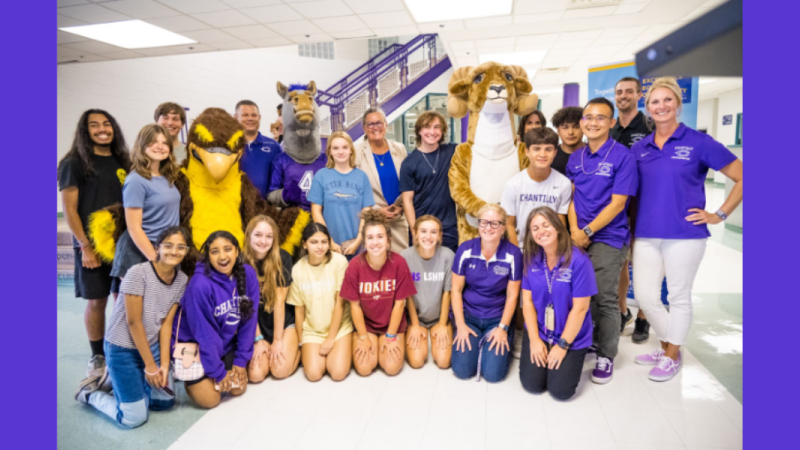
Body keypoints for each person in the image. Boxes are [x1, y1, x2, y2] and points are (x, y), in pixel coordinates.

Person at [631, 77, 742, 382]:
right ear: (648, 108)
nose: (661, 106)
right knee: (646, 297)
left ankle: (670, 355)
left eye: (668, 100)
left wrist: (719, 214)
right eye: (655, 101)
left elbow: (742, 175)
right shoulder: (640, 147)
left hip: (685, 234)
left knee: (678, 296)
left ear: (678, 105)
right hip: (646, 233)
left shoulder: (698, 142)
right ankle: (670, 346)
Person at [75, 227, 190, 428]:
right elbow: (134, 322)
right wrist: (150, 367)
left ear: (187, 251)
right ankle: (91, 394)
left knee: (164, 403)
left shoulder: (181, 279)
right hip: (123, 348)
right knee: (133, 418)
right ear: (157, 248)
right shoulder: (138, 273)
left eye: (181, 247)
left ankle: (121, 383)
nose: (174, 251)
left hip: (151, 344)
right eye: (168, 246)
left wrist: (163, 365)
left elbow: (166, 324)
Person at [567, 98, 638, 385]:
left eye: (601, 117)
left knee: (605, 297)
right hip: (578, 236)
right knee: (583, 295)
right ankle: (593, 341)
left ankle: (607, 354)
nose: (593, 122)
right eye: (588, 117)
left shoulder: (623, 156)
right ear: (582, 122)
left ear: (611, 122)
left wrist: (588, 232)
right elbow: (570, 198)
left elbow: (618, 203)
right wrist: (574, 230)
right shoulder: (576, 157)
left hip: (609, 236)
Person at [58, 109, 131, 380]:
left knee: (124, 300)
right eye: (94, 125)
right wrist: (84, 245)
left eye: (107, 124)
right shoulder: (73, 163)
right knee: (97, 301)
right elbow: (69, 208)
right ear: (85, 130)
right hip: (92, 247)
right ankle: (98, 355)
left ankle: (123, 348)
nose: (102, 129)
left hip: (123, 245)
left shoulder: (123, 160)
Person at [173, 231, 259, 409]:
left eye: (227, 249)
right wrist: (218, 373)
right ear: (207, 256)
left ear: (237, 251)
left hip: (223, 344)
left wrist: (240, 361)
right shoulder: (199, 285)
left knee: (238, 390)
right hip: (194, 345)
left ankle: (213, 371)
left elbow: (248, 322)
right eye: (215, 251)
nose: (222, 256)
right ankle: (191, 381)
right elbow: (205, 335)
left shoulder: (248, 274)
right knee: (211, 401)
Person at [518, 207, 596, 400]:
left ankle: (574, 354)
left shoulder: (579, 260)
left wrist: (562, 346)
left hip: (569, 336)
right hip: (542, 331)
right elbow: (527, 302)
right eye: (534, 228)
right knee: (532, 385)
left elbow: (581, 308)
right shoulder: (531, 258)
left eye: (546, 225)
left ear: (559, 228)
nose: (541, 231)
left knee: (561, 392)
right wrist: (535, 340)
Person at [340, 210, 417, 376]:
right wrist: (362, 337)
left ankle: (386, 338)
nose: (375, 242)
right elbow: (355, 307)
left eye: (380, 237)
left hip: (392, 325)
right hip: (366, 325)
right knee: (364, 369)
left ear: (388, 240)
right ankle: (369, 339)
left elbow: (399, 304)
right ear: (364, 242)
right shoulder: (354, 266)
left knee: (391, 367)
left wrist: (390, 336)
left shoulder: (399, 262)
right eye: (370, 237)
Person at [450, 204, 522, 382]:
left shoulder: (513, 254)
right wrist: (460, 324)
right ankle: (477, 342)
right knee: (462, 371)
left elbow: (513, 295)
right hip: (470, 317)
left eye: (494, 223)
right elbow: (456, 290)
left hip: (497, 319)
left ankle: (503, 336)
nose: (488, 227)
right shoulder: (465, 250)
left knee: (492, 375)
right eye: (483, 222)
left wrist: (502, 328)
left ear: (503, 227)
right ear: (478, 224)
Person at [611, 77, 654, 343]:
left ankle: (644, 317)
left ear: (639, 94)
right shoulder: (609, 128)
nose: (623, 96)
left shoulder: (650, 126)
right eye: (619, 92)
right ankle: (622, 311)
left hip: (646, 204)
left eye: (629, 91)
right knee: (620, 264)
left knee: (646, 263)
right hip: (617, 207)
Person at [111, 124, 181, 280]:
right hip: (141, 252)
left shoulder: (167, 177)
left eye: (164, 143)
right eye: (153, 142)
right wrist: (155, 259)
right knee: (142, 304)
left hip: (166, 248)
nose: (160, 147)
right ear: (142, 145)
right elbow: (134, 227)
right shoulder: (136, 180)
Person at [287, 222, 354, 381]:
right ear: (304, 244)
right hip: (313, 330)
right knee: (314, 374)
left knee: (337, 373)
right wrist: (301, 341)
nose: (320, 246)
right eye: (314, 242)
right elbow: (299, 310)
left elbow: (340, 303)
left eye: (324, 242)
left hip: (339, 328)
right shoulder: (297, 270)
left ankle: (340, 348)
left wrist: (331, 339)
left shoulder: (339, 262)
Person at [243, 216, 299, 382]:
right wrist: (258, 340)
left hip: (282, 323)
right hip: (256, 324)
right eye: (258, 235)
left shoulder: (283, 258)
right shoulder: (240, 260)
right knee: (256, 376)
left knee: (279, 371)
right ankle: (265, 344)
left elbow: (279, 301)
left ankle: (297, 350)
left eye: (269, 236)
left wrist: (277, 340)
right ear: (249, 236)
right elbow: (247, 306)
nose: (263, 241)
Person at [501, 127, 572, 247]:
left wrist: (556, 250)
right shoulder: (513, 184)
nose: (542, 154)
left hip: (550, 247)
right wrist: (516, 254)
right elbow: (509, 224)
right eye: (536, 149)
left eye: (548, 149)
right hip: (521, 247)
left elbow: (560, 222)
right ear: (527, 151)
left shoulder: (563, 183)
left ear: (555, 152)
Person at [308, 131, 375, 259]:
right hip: (329, 246)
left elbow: (366, 213)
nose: (340, 151)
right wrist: (329, 241)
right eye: (335, 148)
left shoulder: (362, 176)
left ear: (351, 150)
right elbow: (316, 212)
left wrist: (358, 241)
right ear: (330, 151)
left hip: (357, 245)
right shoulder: (321, 176)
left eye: (345, 147)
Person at [399, 111, 459, 253]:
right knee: (421, 272)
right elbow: (407, 200)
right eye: (427, 127)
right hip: (422, 228)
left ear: (443, 131)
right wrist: (415, 232)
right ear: (419, 130)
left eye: (437, 127)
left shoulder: (453, 151)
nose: (432, 132)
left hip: (448, 227)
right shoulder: (409, 162)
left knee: (448, 270)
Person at [401, 215, 455, 369]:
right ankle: (419, 328)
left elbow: (447, 293)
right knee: (417, 362)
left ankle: (440, 328)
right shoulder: (406, 256)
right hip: (416, 318)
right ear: (416, 234)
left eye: (433, 232)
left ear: (439, 236)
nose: (428, 236)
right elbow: (408, 295)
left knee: (444, 362)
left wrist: (443, 324)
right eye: (423, 231)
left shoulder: (448, 255)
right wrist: (415, 325)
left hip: (440, 317)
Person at [355, 107, 409, 252]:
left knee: (401, 265)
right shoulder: (356, 152)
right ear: (364, 127)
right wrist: (377, 210)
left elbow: (408, 182)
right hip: (372, 221)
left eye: (379, 123)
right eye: (370, 124)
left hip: (398, 218)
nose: (375, 127)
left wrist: (402, 207)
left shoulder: (400, 148)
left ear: (385, 124)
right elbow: (355, 190)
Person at [235, 100, 283, 199]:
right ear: (235, 118)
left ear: (259, 117)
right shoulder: (227, 146)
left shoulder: (274, 146)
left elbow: (281, 179)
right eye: (245, 115)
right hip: (233, 209)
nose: (250, 118)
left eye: (254, 115)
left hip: (264, 210)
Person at [550, 107, 585, 176]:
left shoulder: (595, 154)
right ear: (558, 131)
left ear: (584, 128)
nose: (571, 132)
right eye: (565, 127)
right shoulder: (550, 155)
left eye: (576, 127)